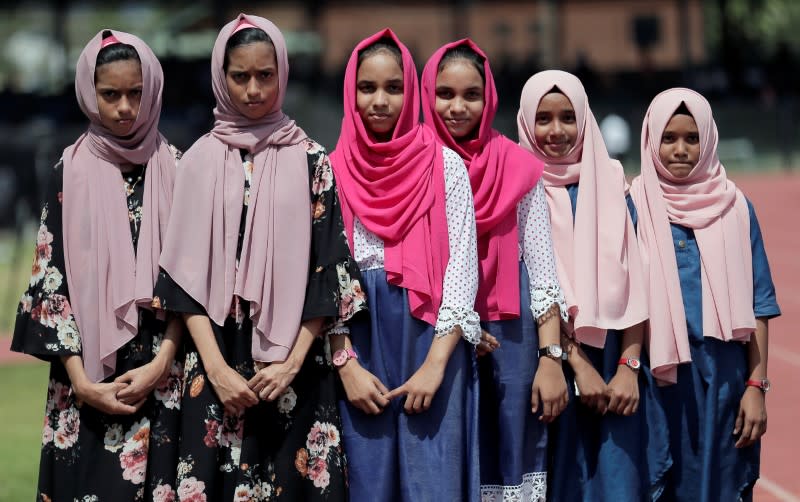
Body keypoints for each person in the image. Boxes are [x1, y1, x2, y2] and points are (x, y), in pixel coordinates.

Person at [153, 14, 365, 500]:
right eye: (240, 76)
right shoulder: (196, 162)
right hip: (214, 367)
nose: (253, 89)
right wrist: (219, 370)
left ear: (283, 74)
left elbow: (327, 274)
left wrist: (289, 366)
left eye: (265, 75)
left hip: (295, 368)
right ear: (220, 78)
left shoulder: (313, 160)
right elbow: (181, 281)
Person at [11, 29, 183, 500]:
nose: (125, 107)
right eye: (110, 94)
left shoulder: (178, 167)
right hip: (84, 378)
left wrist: (160, 364)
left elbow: (192, 284)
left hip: (164, 377)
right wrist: (83, 383)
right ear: (90, 94)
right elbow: (52, 279)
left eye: (135, 93)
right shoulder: (68, 170)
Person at [328, 29, 481, 501]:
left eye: (394, 88)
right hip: (357, 341)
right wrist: (345, 362)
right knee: (366, 483)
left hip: (431, 338)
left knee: (433, 482)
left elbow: (462, 267)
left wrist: (436, 364)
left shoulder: (444, 165)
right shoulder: (327, 170)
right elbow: (322, 272)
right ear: (350, 91)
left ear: (412, 91)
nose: (380, 100)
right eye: (367, 87)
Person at [421, 40, 568, 501]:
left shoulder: (520, 168)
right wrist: (460, 321)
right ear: (426, 94)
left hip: (513, 341)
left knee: (510, 459)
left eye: (472, 95)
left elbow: (542, 271)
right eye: (445, 94)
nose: (457, 107)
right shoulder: (415, 166)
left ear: (490, 100)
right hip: (431, 333)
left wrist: (551, 358)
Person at [517, 70, 671, 501]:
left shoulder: (613, 186)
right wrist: (572, 360)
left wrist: (629, 366)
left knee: (617, 486)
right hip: (544, 367)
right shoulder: (515, 188)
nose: (556, 130)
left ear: (585, 119)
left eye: (568, 117)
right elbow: (527, 283)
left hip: (614, 370)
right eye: (543, 118)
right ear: (526, 121)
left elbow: (637, 279)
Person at [630, 88, 781, 502]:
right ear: (651, 140)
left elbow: (760, 305)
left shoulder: (735, 208)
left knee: (721, 486)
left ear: (709, 140)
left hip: (724, 381)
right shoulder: (633, 206)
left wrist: (756, 386)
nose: (680, 150)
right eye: (669, 138)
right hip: (655, 383)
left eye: (692, 138)